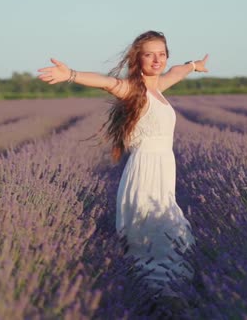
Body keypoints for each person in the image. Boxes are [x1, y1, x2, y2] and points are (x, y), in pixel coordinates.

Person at [37, 30, 208, 300]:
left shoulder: (158, 87)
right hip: (146, 173)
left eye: (161, 54)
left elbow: (176, 71)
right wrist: (70, 74)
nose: (156, 60)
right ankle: (157, 300)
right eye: (149, 54)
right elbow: (105, 82)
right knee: (158, 234)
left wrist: (194, 65)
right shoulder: (132, 89)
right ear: (137, 58)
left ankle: (169, 298)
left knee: (170, 233)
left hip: (163, 172)